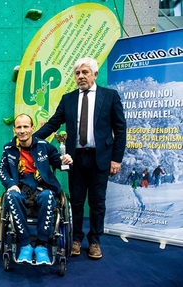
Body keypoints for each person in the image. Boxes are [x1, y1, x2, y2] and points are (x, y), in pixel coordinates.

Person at [34, 57, 126, 259]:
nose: (81, 76)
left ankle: (94, 241)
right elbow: (53, 123)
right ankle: (76, 239)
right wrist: (29, 138)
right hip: (74, 159)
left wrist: (116, 159)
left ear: (95, 74)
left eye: (85, 72)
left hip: (100, 159)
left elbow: (120, 129)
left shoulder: (110, 96)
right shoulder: (68, 99)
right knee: (76, 202)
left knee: (97, 202)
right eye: (77, 73)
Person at [0, 114, 73, 264]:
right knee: (11, 196)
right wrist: (11, 184)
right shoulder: (8, 148)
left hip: (43, 188)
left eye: (26, 126)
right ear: (14, 129)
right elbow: (2, 171)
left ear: (32, 128)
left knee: (48, 196)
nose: (22, 130)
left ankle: (41, 246)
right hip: (20, 188)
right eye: (19, 127)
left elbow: (61, 164)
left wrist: (66, 161)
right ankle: (25, 244)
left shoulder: (44, 146)